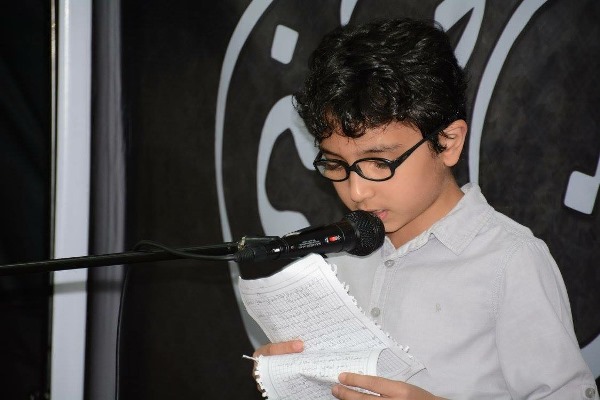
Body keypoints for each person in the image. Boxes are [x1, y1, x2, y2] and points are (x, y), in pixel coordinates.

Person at [253, 18, 598, 399]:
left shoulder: (510, 261)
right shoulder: (336, 258)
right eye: (335, 164)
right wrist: (289, 378)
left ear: (448, 142)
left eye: (379, 162)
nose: (356, 191)